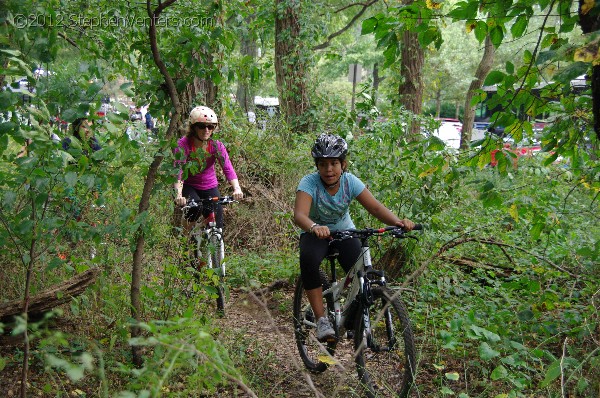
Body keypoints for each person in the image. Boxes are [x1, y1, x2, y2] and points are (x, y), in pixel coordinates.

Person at [293, 133, 416, 342]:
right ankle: (322, 319)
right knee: (309, 260)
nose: (328, 169)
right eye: (323, 164)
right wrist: (314, 227)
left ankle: (353, 316)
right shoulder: (309, 183)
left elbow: (375, 208)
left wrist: (397, 222)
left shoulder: (351, 182)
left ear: (343, 164)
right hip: (315, 233)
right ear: (317, 166)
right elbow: (299, 215)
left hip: (345, 232)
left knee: (361, 270)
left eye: (334, 163)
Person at [174, 106, 243, 233]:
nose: (206, 130)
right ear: (194, 127)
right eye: (202, 126)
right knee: (195, 208)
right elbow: (179, 170)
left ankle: (216, 247)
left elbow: (227, 167)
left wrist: (237, 188)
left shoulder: (216, 146)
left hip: (209, 185)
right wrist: (178, 194)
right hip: (189, 185)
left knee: (218, 222)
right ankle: (184, 241)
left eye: (210, 127)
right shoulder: (184, 144)